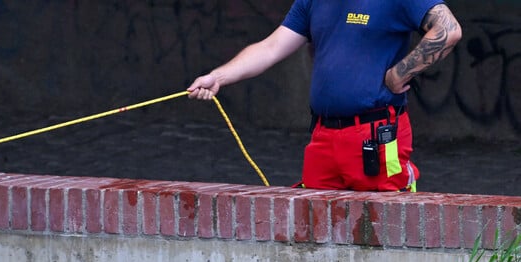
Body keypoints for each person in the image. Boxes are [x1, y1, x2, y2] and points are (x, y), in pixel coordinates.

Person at [187, 2, 461, 192]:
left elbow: (448, 30)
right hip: (323, 137)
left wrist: (399, 75)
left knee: (385, 220)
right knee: (314, 227)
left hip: (377, 136)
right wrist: (218, 77)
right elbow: (270, 48)